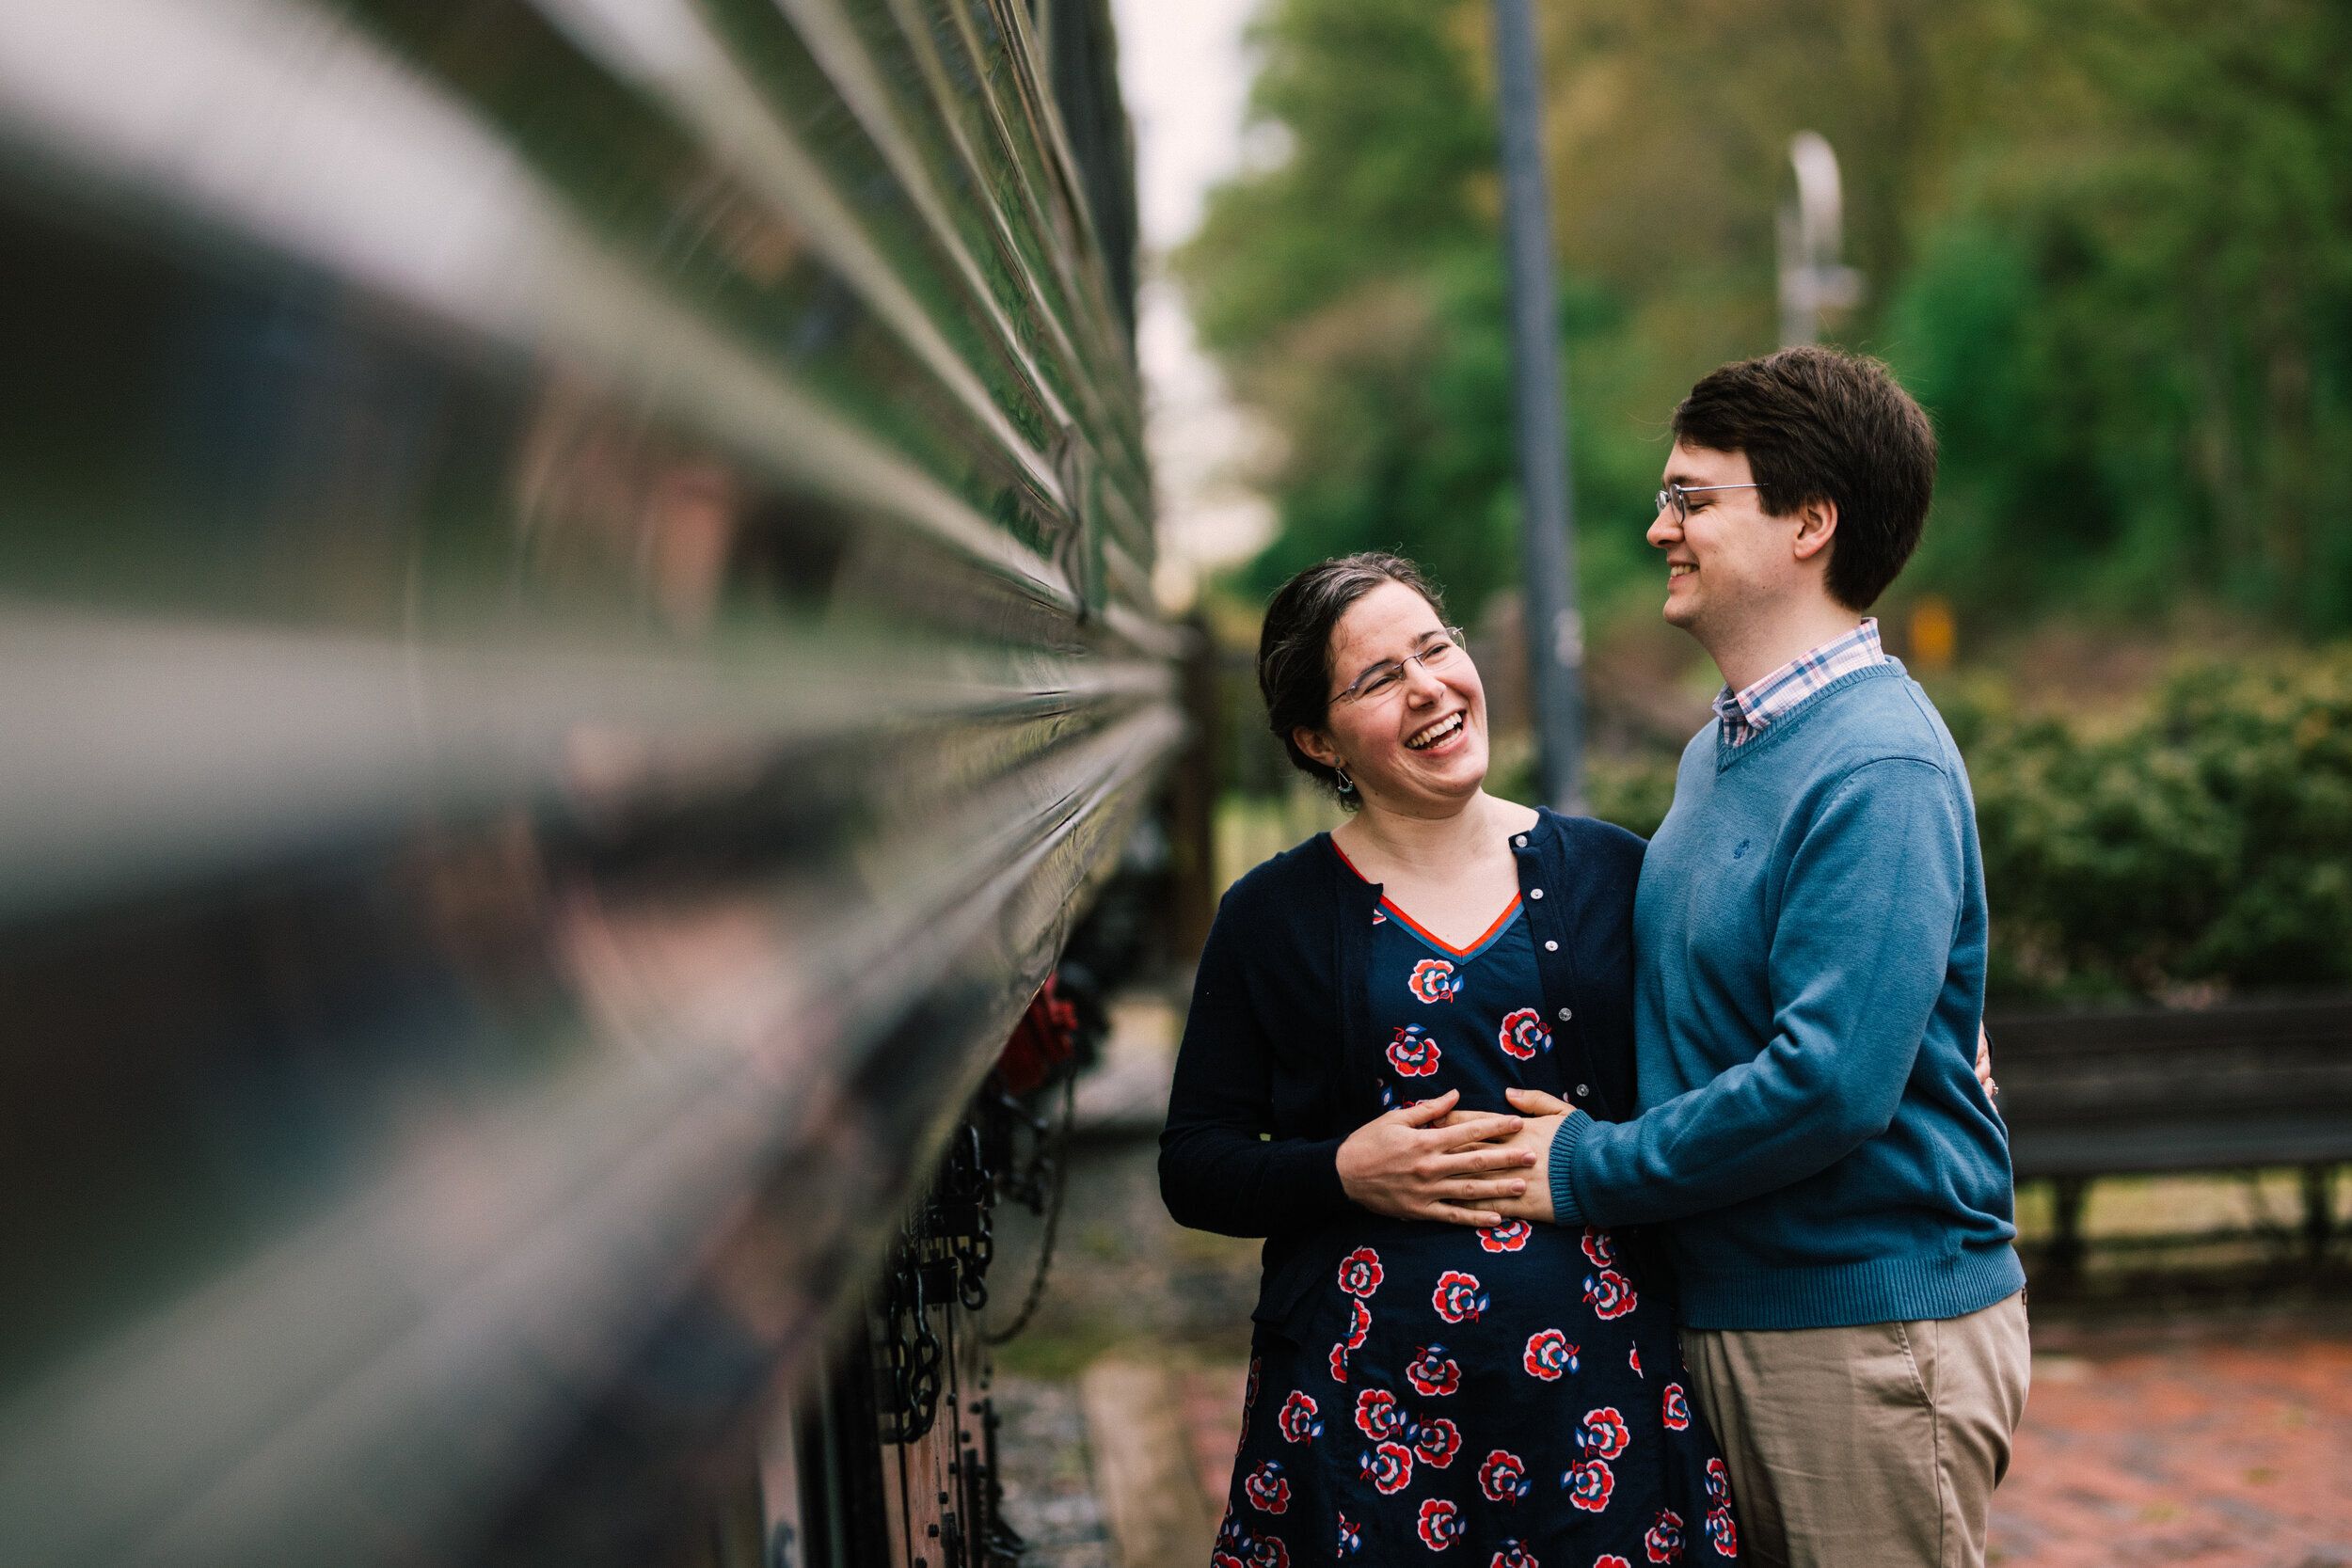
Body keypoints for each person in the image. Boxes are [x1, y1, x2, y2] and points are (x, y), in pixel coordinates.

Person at [1480, 346, 2029, 1568]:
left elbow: (1831, 1078)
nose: (1656, 525)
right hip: (1741, 1315)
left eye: (1691, 496)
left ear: (1810, 522)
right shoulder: (1720, 752)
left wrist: (1590, 1165)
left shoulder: (1877, 764)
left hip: (1863, 1335)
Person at [1161, 554, 1744, 1568]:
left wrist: (1937, 1033)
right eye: (1377, 677)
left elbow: (1733, 1056)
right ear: (1316, 737)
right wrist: (1342, 1169)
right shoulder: (1270, 915)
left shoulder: (1612, 872)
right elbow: (1193, 1161)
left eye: (1435, 647)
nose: (1428, 685)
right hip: (1362, 1408)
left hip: (1594, 1391)